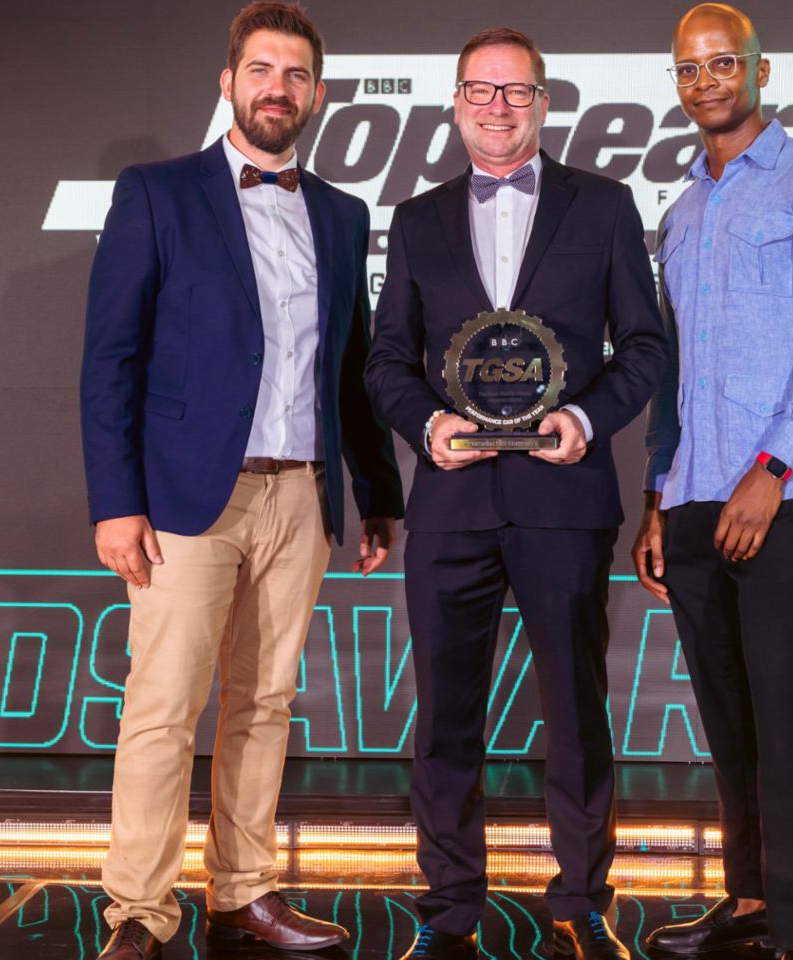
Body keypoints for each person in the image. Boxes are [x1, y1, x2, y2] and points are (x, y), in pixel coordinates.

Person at [79, 3, 403, 957]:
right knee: (164, 706)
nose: (277, 89)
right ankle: (139, 910)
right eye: (260, 70)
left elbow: (350, 365)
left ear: (318, 94)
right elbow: (110, 360)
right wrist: (116, 503)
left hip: (300, 495)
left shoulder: (341, 214)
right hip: (186, 499)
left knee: (265, 705)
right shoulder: (156, 193)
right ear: (228, 83)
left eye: (295, 75)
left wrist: (377, 492)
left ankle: (244, 891)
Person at [362, 26, 669, 960]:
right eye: (480, 90)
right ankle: (450, 910)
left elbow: (645, 346)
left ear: (543, 101)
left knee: (575, 713)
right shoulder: (416, 218)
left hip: (563, 499)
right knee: (445, 719)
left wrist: (585, 419)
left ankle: (581, 903)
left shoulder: (605, 207)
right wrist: (427, 426)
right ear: (456, 103)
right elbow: (385, 360)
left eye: (515, 91)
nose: (497, 107)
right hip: (451, 501)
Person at [633, 5, 793, 960]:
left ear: (760, 70)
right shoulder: (682, 211)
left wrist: (771, 468)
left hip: (787, 492)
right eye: (689, 70)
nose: (706, 83)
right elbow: (672, 372)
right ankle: (749, 899)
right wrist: (658, 496)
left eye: (722, 63)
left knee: (786, 713)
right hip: (695, 492)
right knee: (728, 714)